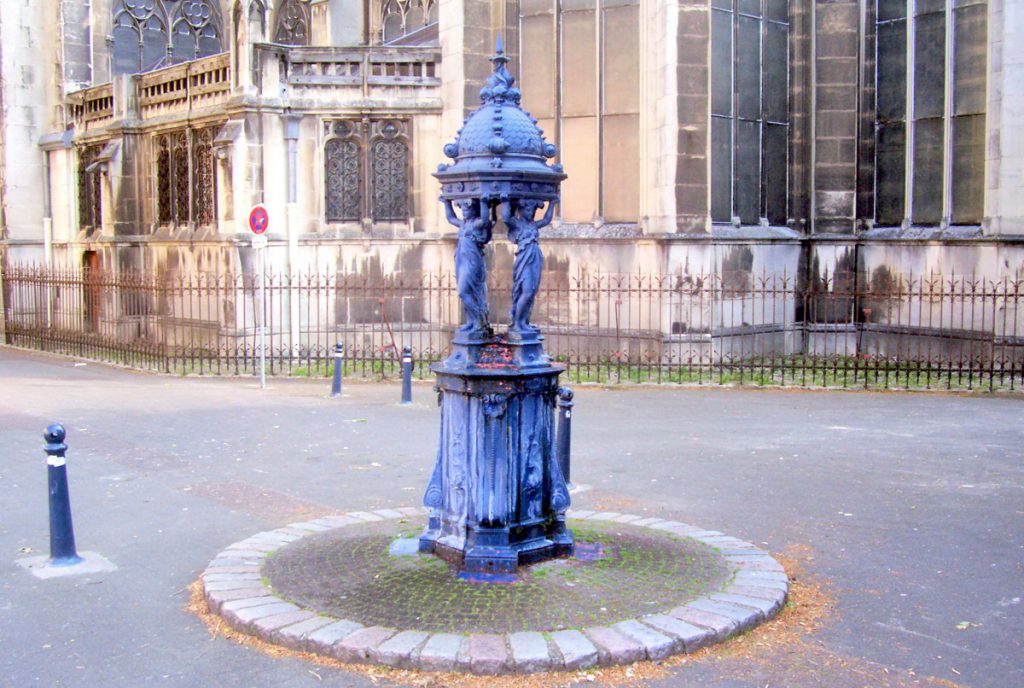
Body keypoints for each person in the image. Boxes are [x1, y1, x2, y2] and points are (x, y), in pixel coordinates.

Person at [503, 198, 556, 339]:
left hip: (535, 258)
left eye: (532, 210)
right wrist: (506, 201)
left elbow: (546, 220)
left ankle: (524, 321)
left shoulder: (533, 225)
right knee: (525, 292)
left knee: (531, 292)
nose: (530, 212)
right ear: (520, 210)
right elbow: (506, 218)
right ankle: (517, 323)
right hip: (524, 260)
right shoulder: (517, 224)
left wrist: (552, 204)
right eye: (527, 209)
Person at [446, 197, 494, 338]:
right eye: (463, 210)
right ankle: (473, 321)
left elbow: (485, 219)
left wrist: (484, 203)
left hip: (472, 262)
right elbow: (450, 218)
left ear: (474, 210)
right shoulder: (463, 225)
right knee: (468, 292)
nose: (464, 212)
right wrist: (446, 202)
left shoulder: (476, 224)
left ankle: (478, 321)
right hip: (461, 260)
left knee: (463, 291)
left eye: (467, 209)